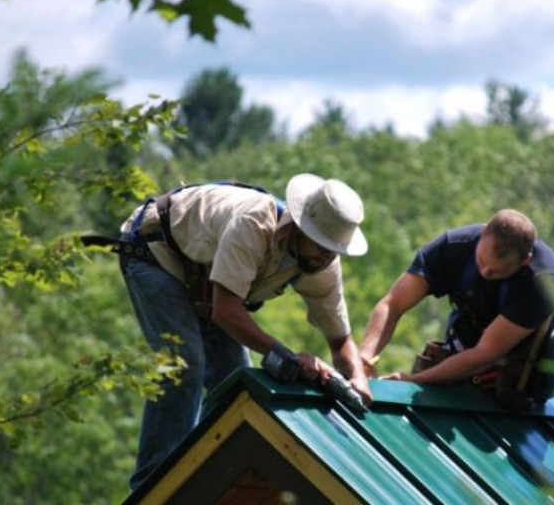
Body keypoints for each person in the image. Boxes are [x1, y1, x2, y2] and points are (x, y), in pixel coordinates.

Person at [116, 173, 373, 490]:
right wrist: (290, 358)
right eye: (321, 244)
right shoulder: (252, 224)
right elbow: (225, 311)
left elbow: (340, 340)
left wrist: (357, 381)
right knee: (185, 364)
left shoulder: (320, 265)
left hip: (206, 280)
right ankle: (155, 487)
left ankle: (208, 481)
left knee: (237, 383)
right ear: (298, 227)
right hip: (156, 254)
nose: (327, 256)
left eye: (334, 249)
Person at [359, 209, 554, 490]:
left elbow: (485, 354)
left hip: (529, 374)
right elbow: (392, 304)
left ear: (525, 261)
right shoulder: (452, 248)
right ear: (481, 234)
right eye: (482, 261)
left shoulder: (541, 280)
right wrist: (363, 359)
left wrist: (413, 381)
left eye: (496, 271)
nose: (485, 271)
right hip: (466, 354)